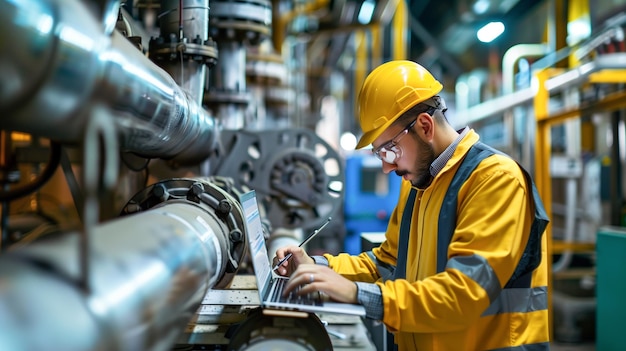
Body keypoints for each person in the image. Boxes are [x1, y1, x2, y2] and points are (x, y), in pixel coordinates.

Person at [272, 60, 550, 351]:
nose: (385, 167)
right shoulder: (420, 184)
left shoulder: (495, 181)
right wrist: (317, 266)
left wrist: (356, 294)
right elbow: (387, 263)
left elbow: (462, 296)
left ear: (425, 126)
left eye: (389, 150)